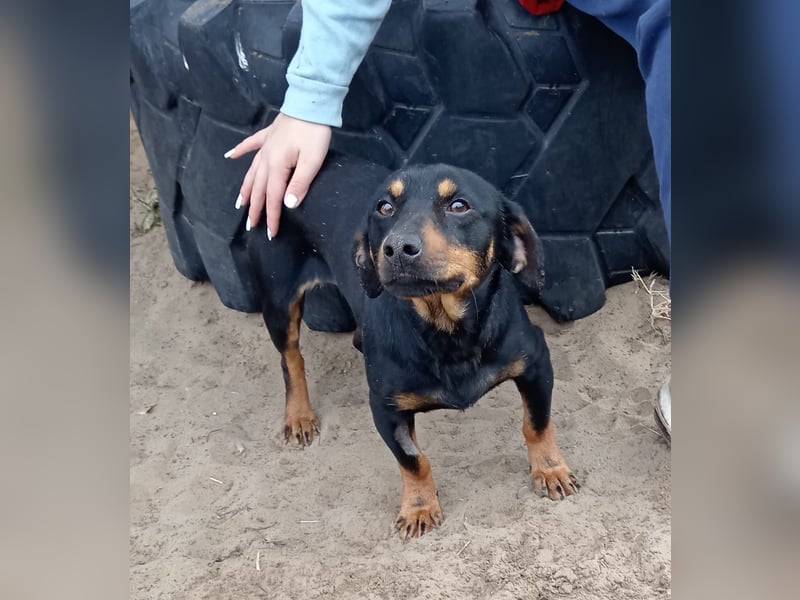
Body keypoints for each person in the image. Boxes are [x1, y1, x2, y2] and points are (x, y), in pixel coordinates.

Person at [224, 0, 672, 439]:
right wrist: (307, 101)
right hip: (309, 236)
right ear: (366, 254)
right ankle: (294, 381)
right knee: (286, 324)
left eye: (458, 207)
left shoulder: (514, 335)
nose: (400, 241)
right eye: (387, 213)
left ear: (514, 248)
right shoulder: (388, 357)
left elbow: (536, 368)